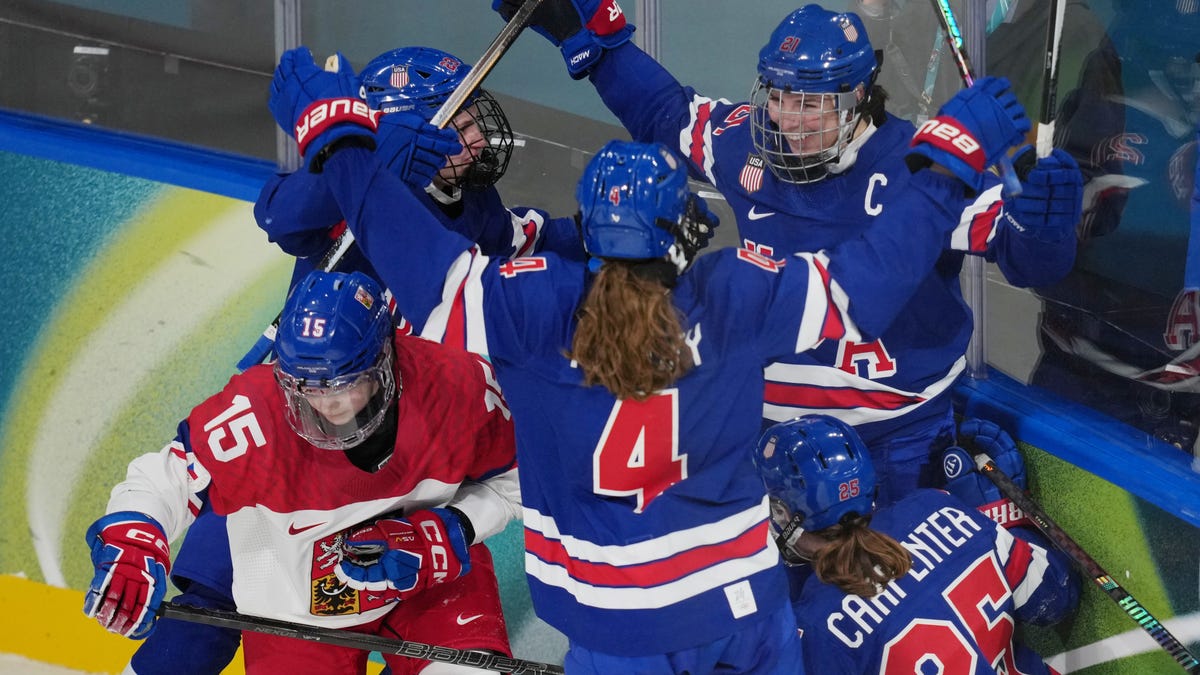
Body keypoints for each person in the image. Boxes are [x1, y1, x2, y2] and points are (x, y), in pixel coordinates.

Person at [266, 42, 1033, 673]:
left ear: (589, 235)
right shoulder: (732, 294)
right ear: (688, 234)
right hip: (743, 612)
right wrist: (947, 172)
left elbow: (406, 246)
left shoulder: (527, 307)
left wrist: (337, 135)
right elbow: (865, 284)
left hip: (617, 632)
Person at [490, 0, 1085, 505]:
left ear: (857, 98)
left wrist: (1044, 227)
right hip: (767, 436)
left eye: (809, 102)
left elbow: (1027, 261)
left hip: (900, 440)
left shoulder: (926, 165)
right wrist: (589, 39)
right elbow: (664, 111)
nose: (786, 117)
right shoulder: (743, 140)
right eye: (778, 94)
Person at [123, 45, 584, 675]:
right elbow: (282, 213)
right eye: (462, 125)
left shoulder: (474, 205)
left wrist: (611, 233)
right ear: (411, 128)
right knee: (214, 597)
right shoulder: (352, 190)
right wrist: (367, 158)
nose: (479, 138)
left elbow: (533, 236)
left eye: (476, 120)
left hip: (413, 462)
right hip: (309, 451)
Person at [83, 270, 521, 675]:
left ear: (386, 359)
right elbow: (165, 477)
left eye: (345, 384)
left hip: (429, 579)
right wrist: (134, 539)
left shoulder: (458, 386)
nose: (327, 404)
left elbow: (525, 479)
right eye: (306, 387)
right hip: (296, 609)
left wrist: (454, 528)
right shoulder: (255, 413)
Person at [752, 414, 1079, 673]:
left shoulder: (815, 626)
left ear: (782, 513)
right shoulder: (940, 506)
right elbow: (1056, 598)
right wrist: (996, 516)